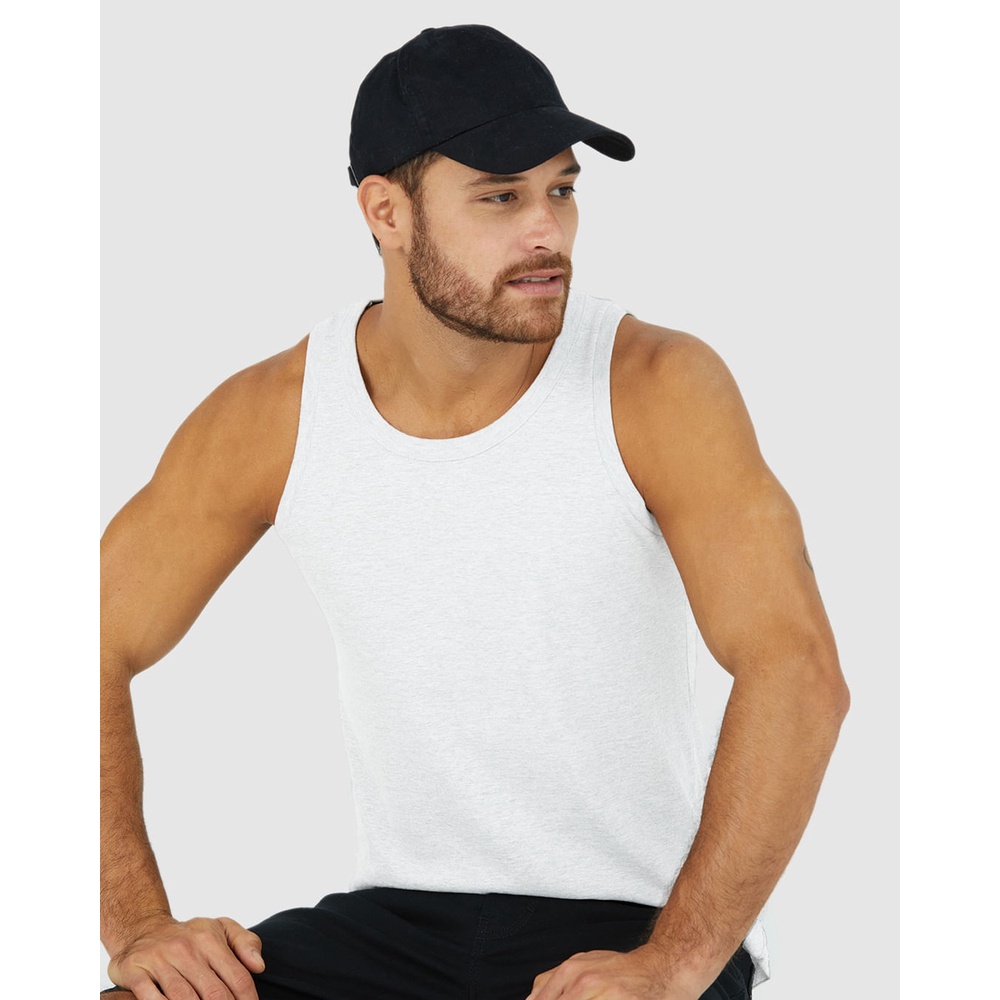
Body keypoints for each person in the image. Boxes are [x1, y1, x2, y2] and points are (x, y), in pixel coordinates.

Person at [100, 24, 849, 1000]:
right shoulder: (274, 415)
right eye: (501, 197)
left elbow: (797, 672)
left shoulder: (656, 386)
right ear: (386, 212)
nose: (547, 232)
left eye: (562, 190)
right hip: (394, 926)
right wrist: (137, 925)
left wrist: (675, 963)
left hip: (632, 924)